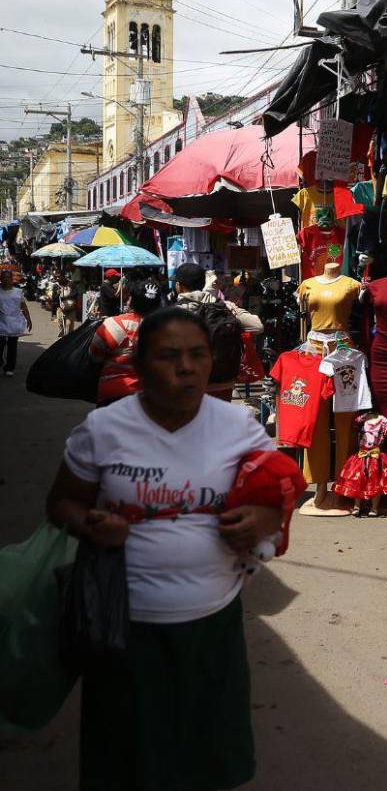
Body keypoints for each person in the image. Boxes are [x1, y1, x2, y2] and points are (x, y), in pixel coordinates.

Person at [46, 306, 282, 791]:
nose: (187, 367)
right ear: (139, 363)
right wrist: (90, 524)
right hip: (122, 626)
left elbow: (274, 504)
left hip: (212, 624)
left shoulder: (240, 430)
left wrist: (262, 519)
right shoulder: (103, 430)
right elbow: (62, 503)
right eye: (169, 355)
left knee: (207, 760)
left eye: (198, 355)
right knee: (128, 758)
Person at [174, 262, 263, 399]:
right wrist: (232, 310)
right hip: (223, 384)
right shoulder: (223, 306)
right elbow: (257, 326)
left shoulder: (170, 314)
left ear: (179, 286)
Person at [89, 278, 163, 404]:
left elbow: (94, 356)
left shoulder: (113, 324)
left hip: (113, 395)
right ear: (158, 304)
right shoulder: (166, 329)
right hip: (151, 397)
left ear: (131, 302)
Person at [0, 269, 32, 376]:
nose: (6, 279)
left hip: (15, 323)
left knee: (12, 346)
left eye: (8, 277)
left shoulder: (18, 292)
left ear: (11, 279)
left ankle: (10, 367)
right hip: (1, 322)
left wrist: (29, 319)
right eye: (3, 277)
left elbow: (23, 306)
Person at [55, 272, 79, 337]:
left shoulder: (71, 285)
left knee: (69, 327)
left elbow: (76, 295)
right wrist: (58, 293)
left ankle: (68, 340)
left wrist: (67, 295)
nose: (58, 278)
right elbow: (55, 298)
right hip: (61, 309)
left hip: (71, 309)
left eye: (59, 277)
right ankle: (62, 334)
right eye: (57, 277)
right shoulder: (57, 286)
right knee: (61, 324)